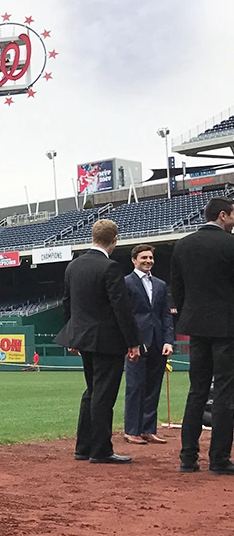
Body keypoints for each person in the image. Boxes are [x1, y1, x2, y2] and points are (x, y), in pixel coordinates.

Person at [54, 219, 141, 465]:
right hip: (107, 341)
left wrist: (72, 336)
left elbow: (67, 303)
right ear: (114, 240)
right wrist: (133, 342)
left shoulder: (73, 266)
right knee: (103, 394)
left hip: (83, 337)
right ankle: (101, 450)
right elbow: (121, 308)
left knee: (92, 391)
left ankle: (84, 447)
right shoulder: (110, 267)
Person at [170, 196, 234, 474]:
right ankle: (219, 459)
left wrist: (189, 318)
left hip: (196, 328)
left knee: (196, 390)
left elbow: (178, 289)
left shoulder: (183, 245)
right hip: (227, 328)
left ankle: (188, 457)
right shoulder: (231, 244)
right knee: (224, 393)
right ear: (222, 215)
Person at [122, 244, 173, 445]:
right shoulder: (126, 283)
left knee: (153, 387)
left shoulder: (160, 284)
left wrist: (169, 340)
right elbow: (124, 315)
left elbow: (165, 315)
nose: (148, 261)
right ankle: (131, 430)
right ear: (134, 260)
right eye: (144, 257)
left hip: (158, 343)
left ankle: (148, 429)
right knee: (135, 387)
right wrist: (129, 342)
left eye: (150, 257)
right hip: (136, 343)